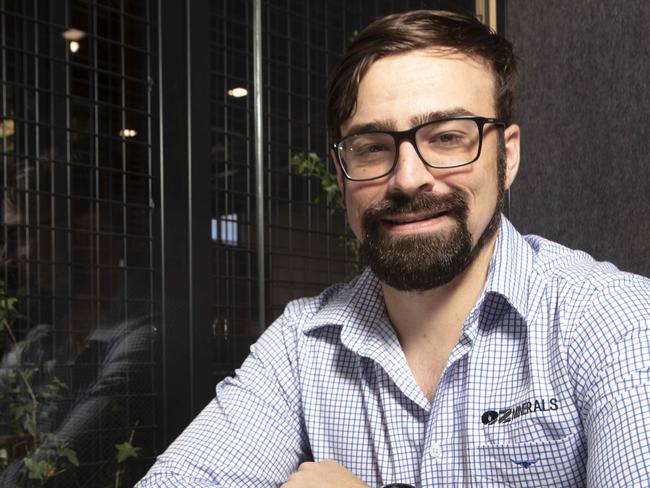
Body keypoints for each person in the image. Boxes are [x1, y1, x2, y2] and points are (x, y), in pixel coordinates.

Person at [136, 10, 650, 487]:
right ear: (342, 175)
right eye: (373, 147)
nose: (408, 179)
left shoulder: (613, 320)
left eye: (448, 137)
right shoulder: (301, 345)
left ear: (507, 156)